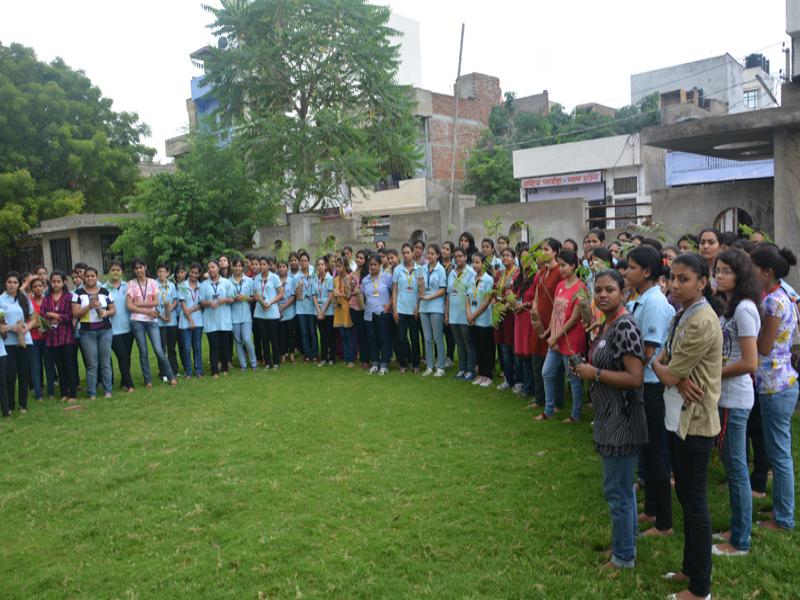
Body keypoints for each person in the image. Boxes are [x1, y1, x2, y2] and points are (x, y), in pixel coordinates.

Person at [652, 253, 722, 600]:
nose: (675, 285)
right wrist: (667, 370)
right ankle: (689, 569)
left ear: (702, 282)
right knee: (685, 496)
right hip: (678, 417)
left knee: (694, 504)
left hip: (696, 423)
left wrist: (667, 371)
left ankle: (700, 588)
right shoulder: (683, 313)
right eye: (673, 278)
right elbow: (664, 359)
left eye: (684, 279)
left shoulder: (701, 321)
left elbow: (667, 369)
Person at [572, 269, 647, 569]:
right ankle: (626, 544)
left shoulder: (625, 326)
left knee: (618, 492)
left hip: (622, 419)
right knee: (621, 489)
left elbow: (635, 377)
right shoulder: (608, 323)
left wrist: (595, 374)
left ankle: (624, 556)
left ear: (623, 293)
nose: (602, 295)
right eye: (598, 290)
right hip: (608, 417)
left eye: (610, 290)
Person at [711, 248, 761, 556]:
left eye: (726, 270)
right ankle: (737, 528)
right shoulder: (730, 307)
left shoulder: (744, 309)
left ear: (741, 275)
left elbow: (750, 362)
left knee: (737, 469)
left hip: (734, 397)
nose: (719, 275)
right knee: (733, 466)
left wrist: (713, 373)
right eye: (717, 270)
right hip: (725, 395)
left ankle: (740, 541)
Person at [625, 245, 675, 537]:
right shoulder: (641, 299)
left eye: (632, 267)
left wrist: (626, 374)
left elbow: (648, 350)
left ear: (646, 271)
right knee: (648, 452)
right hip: (644, 383)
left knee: (656, 455)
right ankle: (652, 508)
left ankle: (664, 522)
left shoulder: (654, 303)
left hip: (652, 386)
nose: (627, 272)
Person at [750, 244, 799, 532]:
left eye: (753, 268)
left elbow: (764, 346)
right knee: (780, 452)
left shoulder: (772, 303)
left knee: (779, 455)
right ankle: (782, 507)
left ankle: (784, 518)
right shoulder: (785, 295)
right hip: (782, 381)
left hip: (774, 385)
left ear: (766, 272)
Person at [537, 250, 587, 422]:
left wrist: (556, 337)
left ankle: (575, 415)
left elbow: (574, 319)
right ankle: (549, 410)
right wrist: (550, 332)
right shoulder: (560, 285)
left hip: (571, 340)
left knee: (573, 378)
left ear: (573, 266)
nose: (560, 269)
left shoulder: (581, 288)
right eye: (559, 265)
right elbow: (555, 311)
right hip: (556, 338)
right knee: (547, 372)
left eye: (564, 265)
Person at [126, 258, 177, 388]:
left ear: (145, 267)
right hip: (137, 321)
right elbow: (129, 306)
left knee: (159, 350)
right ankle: (148, 380)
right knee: (143, 352)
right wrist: (147, 311)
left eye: (141, 267)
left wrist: (139, 303)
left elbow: (156, 302)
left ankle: (170, 376)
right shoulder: (131, 284)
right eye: (136, 268)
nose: (139, 270)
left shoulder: (153, 282)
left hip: (152, 321)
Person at [72, 267, 115, 400]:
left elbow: (113, 310)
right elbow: (75, 313)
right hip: (87, 332)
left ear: (97, 277)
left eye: (93, 276)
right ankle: (92, 393)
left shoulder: (105, 292)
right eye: (87, 276)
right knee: (92, 364)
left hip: (105, 330)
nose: (90, 278)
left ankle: (108, 391)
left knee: (105, 363)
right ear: (84, 278)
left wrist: (105, 312)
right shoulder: (78, 293)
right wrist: (89, 306)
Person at [530, 239, 562, 409]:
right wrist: (534, 311)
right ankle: (539, 399)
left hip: (553, 323)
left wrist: (550, 327)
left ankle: (556, 401)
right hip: (539, 323)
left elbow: (559, 301)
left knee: (553, 366)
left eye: (546, 249)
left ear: (555, 252)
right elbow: (536, 295)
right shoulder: (542, 272)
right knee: (537, 360)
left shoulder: (559, 272)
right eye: (541, 249)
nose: (542, 252)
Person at [41, 271, 78, 403]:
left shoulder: (69, 297)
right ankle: (63, 393)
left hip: (66, 336)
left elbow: (71, 315)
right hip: (52, 337)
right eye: (53, 281)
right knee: (60, 366)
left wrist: (56, 316)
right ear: (50, 282)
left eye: (58, 281)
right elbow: (42, 315)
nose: (56, 284)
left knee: (69, 365)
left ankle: (72, 394)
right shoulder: (46, 298)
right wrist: (48, 318)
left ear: (64, 282)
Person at [1, 271, 35, 413]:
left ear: (19, 284)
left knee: (23, 374)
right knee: (10, 375)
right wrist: (11, 328)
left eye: (15, 282)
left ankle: (23, 404)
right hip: (8, 343)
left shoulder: (24, 298)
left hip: (24, 341)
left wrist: (26, 327)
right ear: (5, 283)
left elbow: (33, 319)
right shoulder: (1, 300)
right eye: (10, 282)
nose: (12, 285)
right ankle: (10, 405)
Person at [200, 259, 235, 378]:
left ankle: (225, 368)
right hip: (211, 320)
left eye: (213, 267)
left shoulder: (226, 282)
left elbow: (232, 299)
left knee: (224, 345)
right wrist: (209, 303)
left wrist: (224, 300)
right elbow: (201, 301)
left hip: (224, 319)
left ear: (218, 268)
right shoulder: (204, 285)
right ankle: (214, 370)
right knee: (213, 346)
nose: (211, 270)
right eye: (209, 268)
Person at [446, 248, 476, 381]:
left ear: (465, 257)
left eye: (460, 256)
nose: (458, 259)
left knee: (468, 342)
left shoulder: (470, 272)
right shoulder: (451, 273)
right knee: (459, 343)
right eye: (456, 257)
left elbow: (471, 295)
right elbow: (448, 294)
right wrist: (446, 313)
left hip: (465, 314)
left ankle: (470, 370)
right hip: (453, 314)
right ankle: (462, 369)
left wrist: (470, 314)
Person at [360, 254, 393, 374]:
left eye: (375, 264)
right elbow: (363, 295)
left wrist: (389, 305)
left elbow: (394, 292)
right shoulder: (365, 280)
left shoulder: (387, 278)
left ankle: (384, 364)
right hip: (369, 314)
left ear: (380, 265)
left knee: (383, 339)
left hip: (383, 313)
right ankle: (374, 363)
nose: (373, 267)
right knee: (372, 339)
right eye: (371, 264)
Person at [392, 243, 422, 374]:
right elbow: (394, 290)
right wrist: (394, 309)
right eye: (403, 253)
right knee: (401, 338)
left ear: (413, 253)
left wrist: (418, 306)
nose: (405, 255)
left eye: (408, 252)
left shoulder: (419, 269)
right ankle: (403, 364)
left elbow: (421, 290)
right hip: (401, 309)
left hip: (414, 309)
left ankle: (416, 364)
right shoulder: (397, 270)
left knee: (415, 338)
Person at [466, 252, 494, 387]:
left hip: (483, 320)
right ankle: (481, 374)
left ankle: (488, 375)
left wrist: (473, 315)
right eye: (473, 262)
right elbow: (467, 298)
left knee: (485, 349)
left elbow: (486, 302)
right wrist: (469, 315)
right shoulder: (471, 278)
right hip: (472, 319)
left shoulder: (488, 280)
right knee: (477, 348)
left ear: (484, 264)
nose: (475, 265)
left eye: (477, 262)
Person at [419, 244, 447, 377]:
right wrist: (421, 287)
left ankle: (440, 366)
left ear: (438, 255)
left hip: (436, 307)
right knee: (427, 338)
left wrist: (430, 297)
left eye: (432, 254)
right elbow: (421, 288)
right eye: (428, 253)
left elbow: (443, 289)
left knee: (437, 338)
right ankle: (429, 366)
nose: (429, 256)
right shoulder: (422, 268)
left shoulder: (441, 270)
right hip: (424, 307)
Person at [106, 260, 134, 392]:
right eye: (113, 270)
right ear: (109, 272)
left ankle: (124, 381)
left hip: (128, 328)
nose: (115, 272)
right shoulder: (104, 288)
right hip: (113, 329)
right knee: (122, 356)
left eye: (118, 270)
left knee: (126, 356)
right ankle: (130, 384)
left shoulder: (128, 286)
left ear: (122, 272)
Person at [28, 277, 56, 400]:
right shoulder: (28, 302)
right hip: (33, 339)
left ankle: (51, 393)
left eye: (40, 286)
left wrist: (39, 322)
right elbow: (29, 321)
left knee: (49, 366)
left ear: (44, 287)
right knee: (35, 367)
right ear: (31, 289)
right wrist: (43, 323)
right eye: (35, 286)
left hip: (48, 338)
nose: (38, 288)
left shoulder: (48, 300)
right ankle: (38, 394)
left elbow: (53, 320)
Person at [494, 247, 518, 390]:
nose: (505, 258)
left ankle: (518, 380)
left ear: (514, 258)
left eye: (508, 255)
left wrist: (505, 306)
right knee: (504, 349)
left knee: (514, 349)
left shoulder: (517, 273)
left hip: (512, 315)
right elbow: (495, 293)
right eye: (503, 255)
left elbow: (517, 294)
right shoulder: (499, 274)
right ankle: (508, 379)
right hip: (500, 315)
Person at [513, 247, 535, 396]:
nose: (524, 261)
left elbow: (539, 299)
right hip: (519, 319)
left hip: (530, 319)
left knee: (531, 354)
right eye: (522, 258)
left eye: (528, 258)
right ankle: (527, 386)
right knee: (523, 355)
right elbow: (514, 295)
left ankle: (532, 388)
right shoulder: (518, 277)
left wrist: (525, 305)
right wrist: (512, 301)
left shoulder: (536, 276)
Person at [230, 258, 258, 372]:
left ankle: (254, 362)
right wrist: (234, 299)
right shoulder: (228, 282)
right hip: (233, 315)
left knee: (247, 339)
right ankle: (243, 364)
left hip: (246, 315)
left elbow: (253, 298)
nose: (237, 268)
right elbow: (226, 298)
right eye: (235, 266)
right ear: (232, 267)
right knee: (238, 341)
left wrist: (244, 298)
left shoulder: (249, 281)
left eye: (239, 266)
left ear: (243, 267)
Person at [178, 263, 204, 378]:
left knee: (197, 347)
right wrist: (190, 320)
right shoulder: (183, 285)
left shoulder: (201, 286)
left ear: (199, 274)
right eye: (192, 272)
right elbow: (183, 305)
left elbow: (202, 304)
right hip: (185, 321)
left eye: (196, 273)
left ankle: (199, 371)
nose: (193, 275)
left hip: (198, 321)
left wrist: (192, 310)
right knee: (187, 348)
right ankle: (188, 371)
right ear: (189, 271)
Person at [155, 264, 179, 381]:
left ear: (168, 273)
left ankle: (174, 370)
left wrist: (170, 308)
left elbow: (175, 300)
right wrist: (161, 315)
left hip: (171, 321)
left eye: (163, 271)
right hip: (160, 321)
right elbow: (152, 304)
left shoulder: (172, 285)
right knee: (162, 349)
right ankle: (163, 372)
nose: (161, 274)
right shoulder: (153, 285)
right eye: (159, 271)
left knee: (172, 347)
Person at [294, 252, 318, 362]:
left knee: (313, 331)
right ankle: (307, 354)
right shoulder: (296, 277)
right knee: (304, 332)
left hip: (312, 307)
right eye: (301, 261)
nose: (303, 262)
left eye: (305, 260)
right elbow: (295, 294)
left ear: (309, 261)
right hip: (301, 308)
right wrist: (298, 289)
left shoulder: (314, 275)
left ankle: (315, 353)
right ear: (299, 262)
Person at [333, 257, 355, 367]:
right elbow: (334, 293)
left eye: (339, 266)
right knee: (343, 336)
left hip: (347, 308)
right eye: (336, 266)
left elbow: (349, 295)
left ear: (345, 267)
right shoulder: (336, 279)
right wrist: (335, 295)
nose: (337, 268)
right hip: (339, 309)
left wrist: (339, 294)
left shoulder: (349, 278)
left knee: (349, 335)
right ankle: (346, 358)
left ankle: (351, 359)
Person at [349, 250, 369, 369]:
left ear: (365, 260)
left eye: (361, 258)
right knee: (359, 334)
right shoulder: (352, 273)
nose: (358, 260)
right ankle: (363, 358)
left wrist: (359, 290)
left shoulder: (368, 274)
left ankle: (367, 359)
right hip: (353, 306)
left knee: (365, 333)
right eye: (357, 257)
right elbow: (349, 289)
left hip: (364, 307)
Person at [314, 257, 335, 366]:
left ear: (325, 266)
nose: (320, 267)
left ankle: (332, 357)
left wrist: (323, 312)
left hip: (328, 311)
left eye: (322, 264)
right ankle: (323, 358)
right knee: (322, 335)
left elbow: (330, 296)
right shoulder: (315, 279)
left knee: (330, 335)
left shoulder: (330, 278)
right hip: (318, 311)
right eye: (318, 265)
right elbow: (314, 296)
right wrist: (319, 311)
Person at [277, 259, 297, 364]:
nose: (281, 269)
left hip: (289, 311)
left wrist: (283, 307)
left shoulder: (292, 280)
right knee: (281, 334)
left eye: (283, 267)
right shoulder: (275, 280)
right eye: (280, 267)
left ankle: (292, 354)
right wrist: (278, 309)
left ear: (287, 268)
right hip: (278, 311)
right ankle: (283, 354)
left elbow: (293, 297)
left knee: (291, 334)